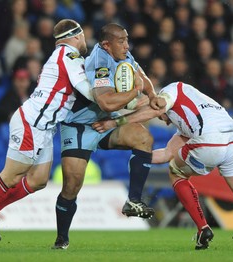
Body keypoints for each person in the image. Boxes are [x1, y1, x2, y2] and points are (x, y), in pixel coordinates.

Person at [92, 81, 233, 251]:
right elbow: (166, 154)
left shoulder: (173, 89)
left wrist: (116, 123)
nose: (162, 120)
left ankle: (203, 228)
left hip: (209, 140)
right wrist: (139, 157)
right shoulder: (195, 113)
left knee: (176, 172)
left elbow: (157, 107)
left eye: (161, 116)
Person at [0, 19, 94, 248]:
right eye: (83, 36)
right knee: (10, 177)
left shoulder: (63, 56)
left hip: (44, 127)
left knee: (39, 180)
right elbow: (89, 93)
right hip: (32, 123)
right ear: (76, 36)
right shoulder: (69, 56)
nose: (85, 41)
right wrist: (118, 96)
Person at [52, 23, 164, 249]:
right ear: (106, 44)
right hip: (79, 126)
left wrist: (151, 94)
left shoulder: (124, 54)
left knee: (144, 138)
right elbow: (105, 101)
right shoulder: (98, 62)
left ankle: (133, 201)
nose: (127, 45)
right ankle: (62, 238)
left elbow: (140, 74)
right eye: (121, 41)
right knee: (72, 186)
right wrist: (135, 92)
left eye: (127, 39)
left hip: (106, 122)